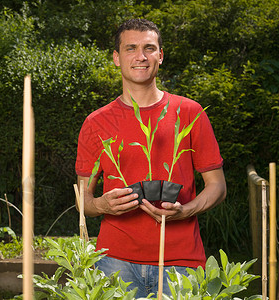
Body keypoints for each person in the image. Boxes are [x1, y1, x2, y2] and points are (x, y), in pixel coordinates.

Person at [75, 19, 226, 298]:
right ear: (116, 58)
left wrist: (187, 209)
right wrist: (101, 204)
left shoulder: (190, 113)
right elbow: (83, 200)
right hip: (113, 262)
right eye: (131, 48)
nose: (141, 56)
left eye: (149, 48)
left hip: (182, 262)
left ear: (160, 55)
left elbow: (217, 185)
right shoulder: (96, 123)